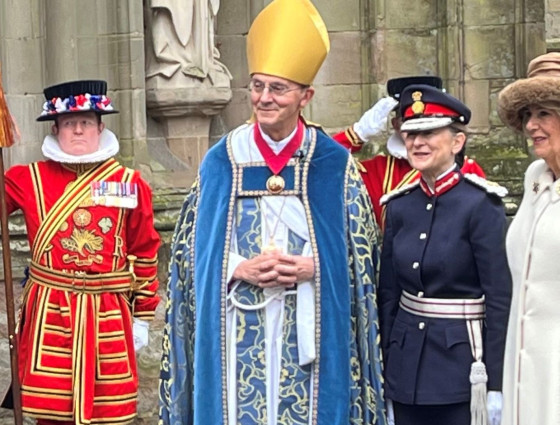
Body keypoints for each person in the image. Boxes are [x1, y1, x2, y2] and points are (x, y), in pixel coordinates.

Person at [158, 0, 387, 424]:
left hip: (312, 330)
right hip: (235, 328)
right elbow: (190, 256)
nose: (264, 98)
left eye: (278, 89)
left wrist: (312, 266)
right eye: (257, 86)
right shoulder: (222, 161)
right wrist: (236, 267)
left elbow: (364, 259)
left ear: (306, 95)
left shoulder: (333, 164)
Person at [3, 80, 161, 424]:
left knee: (110, 415)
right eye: (70, 123)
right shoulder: (27, 179)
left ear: (100, 127)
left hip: (107, 313)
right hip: (50, 313)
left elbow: (145, 250)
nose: (78, 129)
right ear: (56, 128)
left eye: (86, 121)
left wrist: (143, 316)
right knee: (51, 413)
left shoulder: (128, 182)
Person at [378, 85, 512, 425]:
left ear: (457, 142)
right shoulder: (399, 206)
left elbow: (499, 300)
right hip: (406, 371)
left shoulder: (482, 205)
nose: (417, 143)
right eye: (410, 135)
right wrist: (387, 368)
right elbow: (389, 296)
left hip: (463, 369)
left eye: (429, 133)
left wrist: (495, 384)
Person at [497, 52, 560, 425]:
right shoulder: (535, 177)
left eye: (544, 113)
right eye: (527, 116)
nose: (531, 126)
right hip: (522, 361)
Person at [332, 76, 486, 229]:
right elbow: (319, 168)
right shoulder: (380, 170)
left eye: (429, 130)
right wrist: (356, 134)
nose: (419, 139)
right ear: (396, 125)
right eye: (410, 127)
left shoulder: (468, 170)